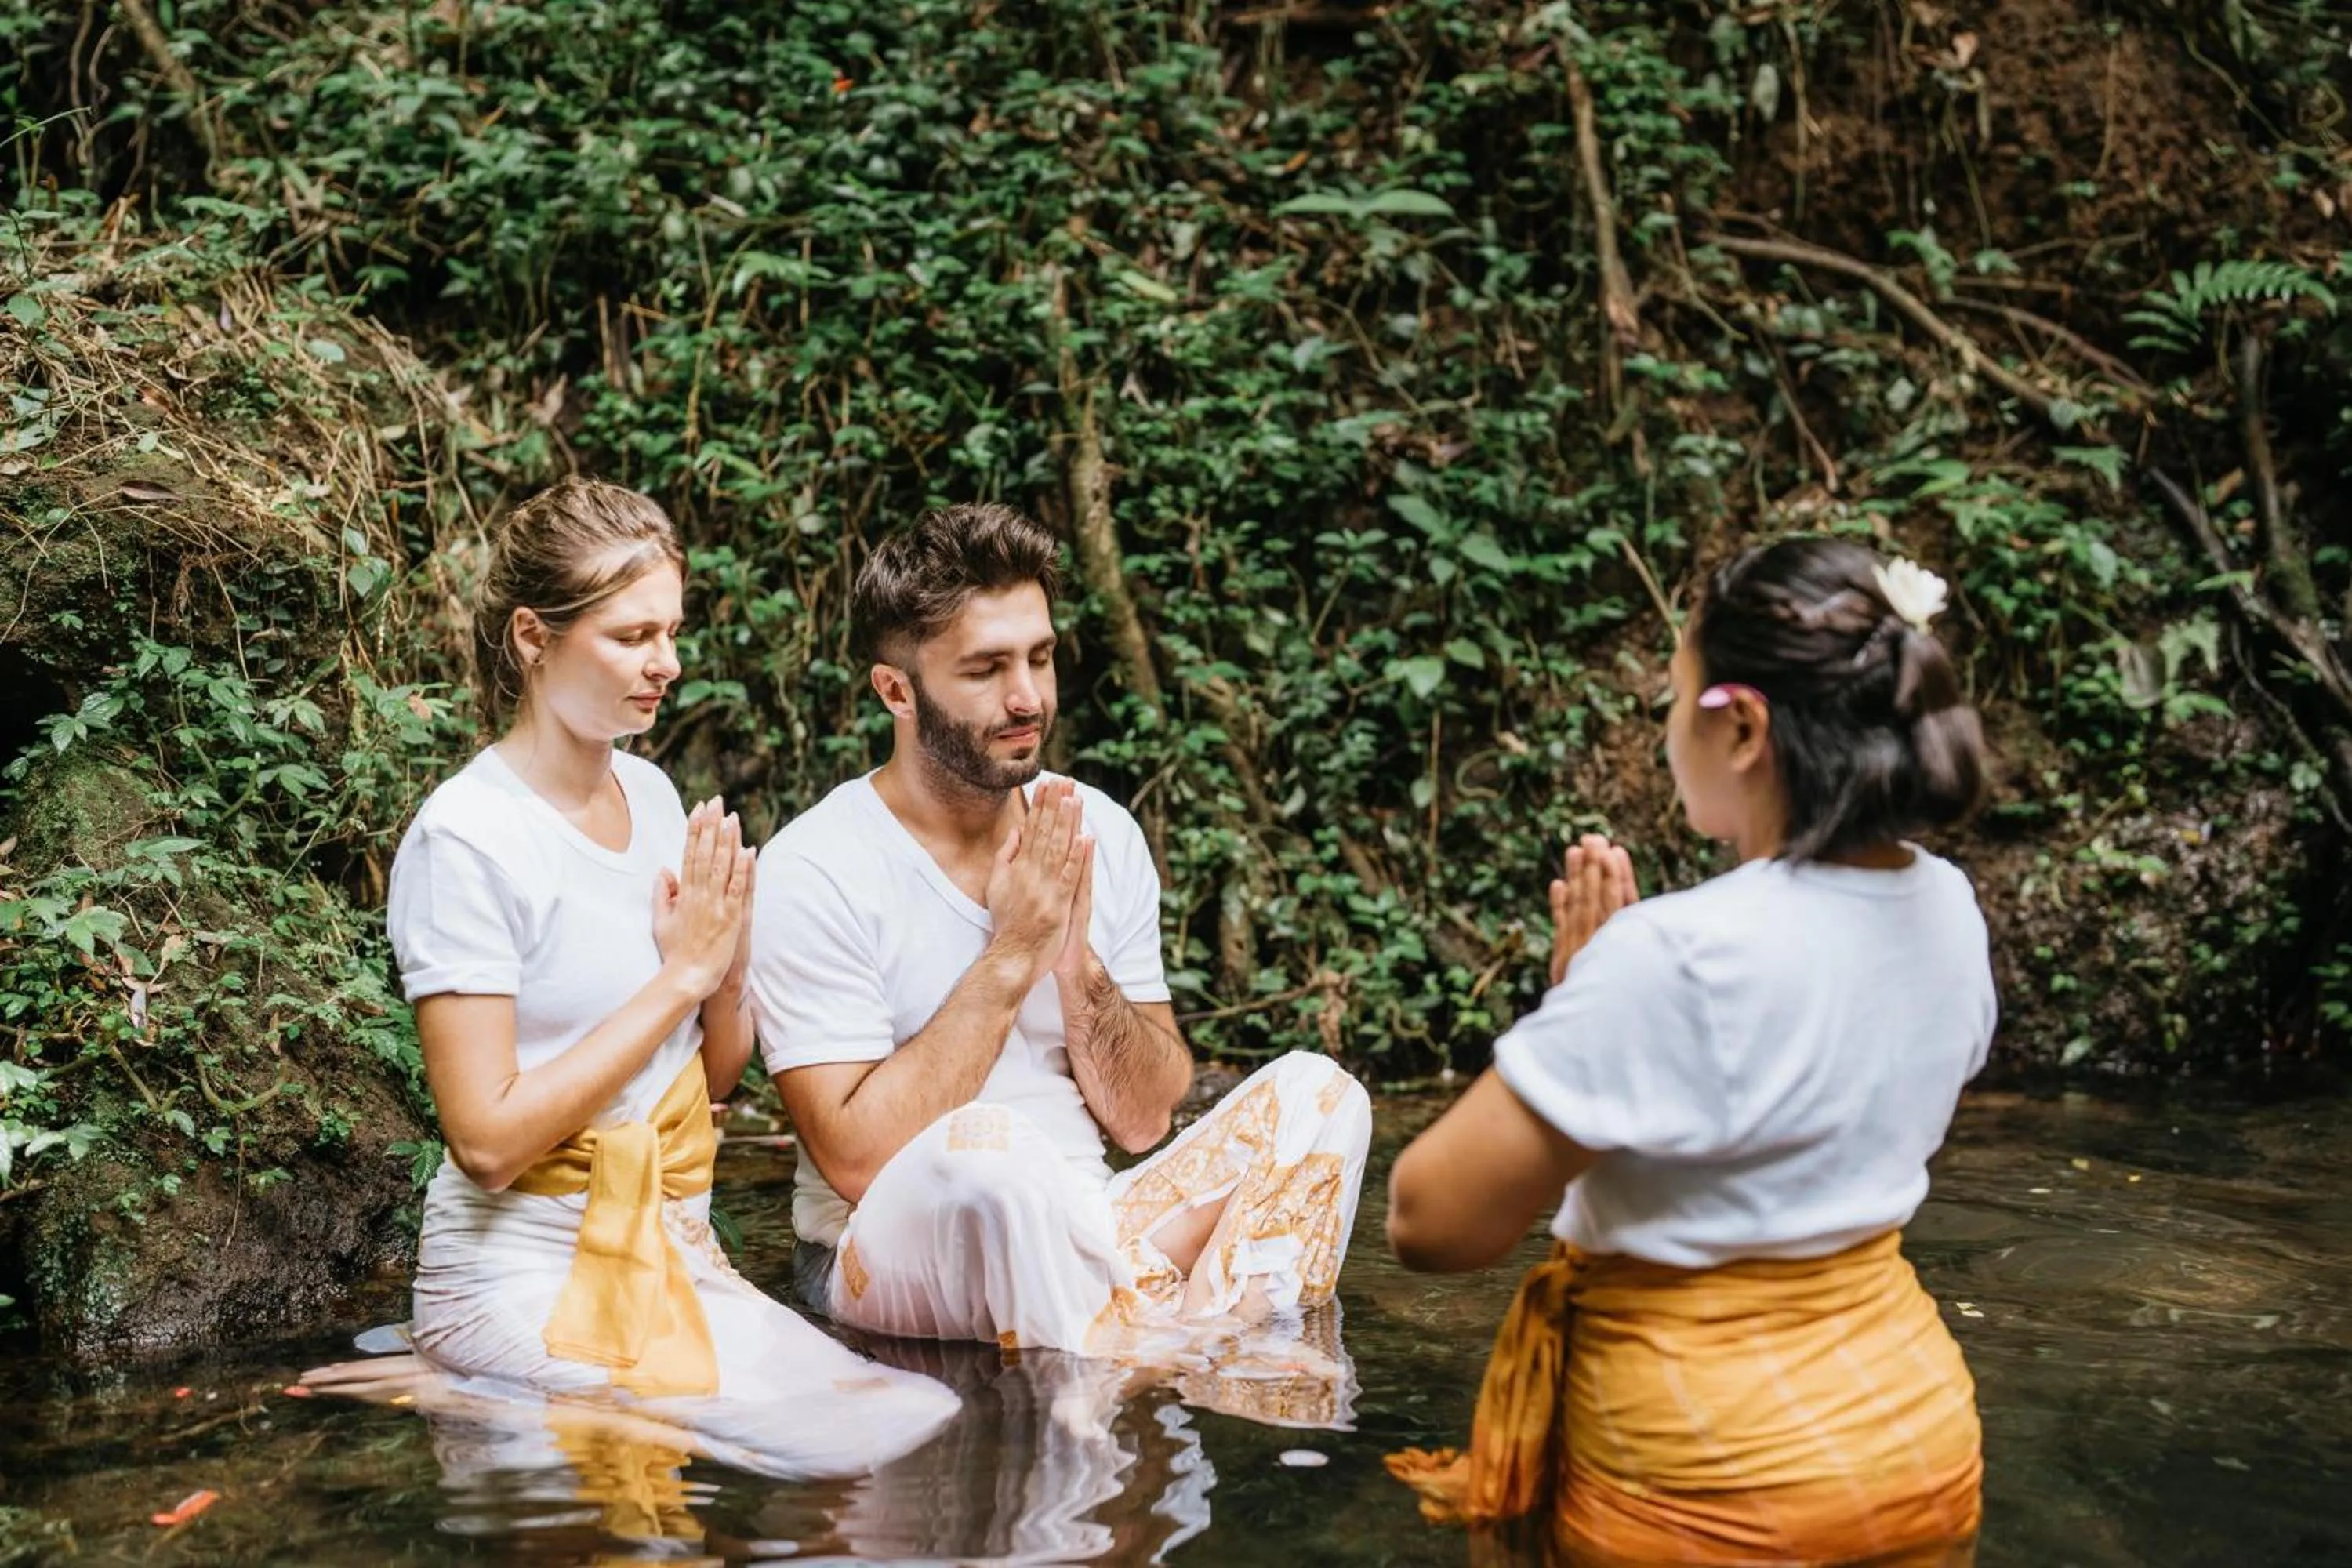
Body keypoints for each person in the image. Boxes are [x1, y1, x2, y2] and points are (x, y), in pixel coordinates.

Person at [307, 477, 956, 1479]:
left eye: (672, 631)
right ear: (534, 637)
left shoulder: (651, 795)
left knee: (917, 1409)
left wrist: (726, 964)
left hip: (673, 1247)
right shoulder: (467, 837)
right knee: (835, 1445)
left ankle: (486, 1387)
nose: (668, 663)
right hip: (520, 1265)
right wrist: (679, 977)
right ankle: (466, 1365)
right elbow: (486, 1140)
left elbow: (715, 1077)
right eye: (632, 636)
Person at [1384, 537, 1995, 1566]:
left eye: (1673, 699)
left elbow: (1428, 1221)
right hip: (1918, 1450)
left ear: (1743, 725)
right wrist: (1598, 1017)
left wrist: (1577, 1011)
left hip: (1709, 1477)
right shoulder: (1949, 907)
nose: (1666, 732)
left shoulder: (1677, 952)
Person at [749, 502, 1372, 1359]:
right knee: (993, 1151)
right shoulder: (815, 866)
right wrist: (1013, 953)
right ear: (896, 691)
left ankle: (1204, 1356)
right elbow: (856, 1162)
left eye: (1039, 657)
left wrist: (1075, 963)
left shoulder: (1097, 828)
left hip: (1091, 1223)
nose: (1027, 697)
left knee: (1321, 1094)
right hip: (880, 1252)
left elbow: (1144, 1121)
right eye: (985, 669)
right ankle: (1177, 1352)